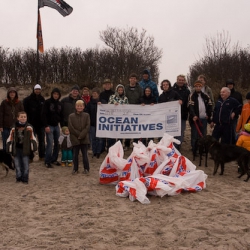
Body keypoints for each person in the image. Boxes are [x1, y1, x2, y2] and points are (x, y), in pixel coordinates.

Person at [6, 111, 37, 184]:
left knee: (25, 165)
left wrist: (34, 146)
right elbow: (10, 138)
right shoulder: (14, 127)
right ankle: (18, 177)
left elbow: (32, 137)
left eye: (25, 117)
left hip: (25, 149)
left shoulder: (29, 127)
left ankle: (25, 178)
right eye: (21, 117)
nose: (23, 118)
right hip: (16, 149)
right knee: (17, 165)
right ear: (18, 118)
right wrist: (9, 146)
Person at [189, 80, 212, 155]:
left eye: (199, 86)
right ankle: (194, 150)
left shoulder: (206, 96)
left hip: (204, 119)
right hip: (195, 119)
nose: (198, 88)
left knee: (203, 135)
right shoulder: (192, 96)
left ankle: (202, 150)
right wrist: (194, 115)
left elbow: (210, 106)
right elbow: (191, 107)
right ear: (195, 87)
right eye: (196, 86)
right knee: (195, 135)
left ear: (201, 87)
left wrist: (208, 115)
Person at [41, 88, 63, 168]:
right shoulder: (47, 102)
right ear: (52, 94)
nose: (56, 95)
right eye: (54, 94)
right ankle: (47, 161)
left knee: (57, 143)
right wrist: (46, 125)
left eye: (57, 94)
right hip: (49, 126)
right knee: (50, 143)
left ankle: (54, 159)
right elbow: (43, 114)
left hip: (57, 126)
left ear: (59, 95)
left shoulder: (60, 104)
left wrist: (62, 126)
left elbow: (61, 116)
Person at [23, 84, 45, 161]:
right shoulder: (27, 100)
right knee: (31, 141)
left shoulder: (42, 99)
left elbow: (44, 112)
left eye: (39, 89)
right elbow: (24, 112)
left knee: (41, 141)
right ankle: (30, 157)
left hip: (41, 124)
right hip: (31, 124)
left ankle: (42, 156)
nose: (37, 91)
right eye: (36, 89)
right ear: (33, 90)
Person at [68, 100, 90, 174]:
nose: (79, 107)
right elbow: (71, 127)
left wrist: (82, 135)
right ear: (75, 107)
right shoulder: (71, 116)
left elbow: (87, 126)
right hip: (75, 138)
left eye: (81, 106)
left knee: (85, 155)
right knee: (75, 155)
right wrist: (78, 135)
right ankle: (75, 169)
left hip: (84, 138)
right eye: (78, 106)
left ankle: (86, 168)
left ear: (83, 107)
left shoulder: (86, 115)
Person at [124, 73, 143, 151]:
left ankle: (135, 144)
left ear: (136, 80)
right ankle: (127, 144)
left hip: (137, 110)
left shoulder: (139, 88)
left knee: (136, 127)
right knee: (128, 127)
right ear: (129, 79)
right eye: (131, 78)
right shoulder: (126, 88)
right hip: (127, 111)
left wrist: (140, 104)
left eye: (134, 78)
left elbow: (142, 97)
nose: (133, 80)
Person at [108, 84, 129, 149]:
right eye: (119, 90)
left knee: (120, 133)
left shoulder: (125, 98)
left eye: (121, 90)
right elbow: (108, 105)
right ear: (117, 90)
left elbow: (128, 108)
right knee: (113, 132)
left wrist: (124, 106)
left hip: (121, 118)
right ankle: (112, 146)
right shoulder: (112, 97)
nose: (120, 91)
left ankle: (119, 146)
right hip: (113, 118)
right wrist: (113, 104)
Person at [173, 74, 191, 148]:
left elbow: (189, 102)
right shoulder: (172, 89)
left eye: (182, 80)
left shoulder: (187, 91)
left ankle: (178, 146)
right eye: (179, 80)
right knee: (173, 130)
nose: (180, 81)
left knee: (181, 131)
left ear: (184, 81)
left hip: (183, 114)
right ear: (177, 80)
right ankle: (173, 146)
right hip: (173, 114)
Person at [86, 88, 104, 158]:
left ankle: (98, 151)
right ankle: (94, 151)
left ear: (98, 94)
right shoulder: (89, 103)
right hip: (92, 124)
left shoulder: (102, 102)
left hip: (100, 124)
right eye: (93, 93)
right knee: (93, 138)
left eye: (96, 93)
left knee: (99, 139)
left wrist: (102, 104)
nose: (94, 94)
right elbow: (87, 112)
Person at [99, 79, 115, 152]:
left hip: (112, 115)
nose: (107, 85)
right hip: (104, 115)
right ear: (104, 85)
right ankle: (102, 147)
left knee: (111, 131)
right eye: (106, 84)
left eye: (109, 84)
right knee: (103, 131)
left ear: (111, 85)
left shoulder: (114, 93)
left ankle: (110, 147)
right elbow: (99, 102)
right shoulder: (101, 94)